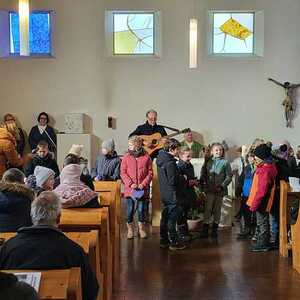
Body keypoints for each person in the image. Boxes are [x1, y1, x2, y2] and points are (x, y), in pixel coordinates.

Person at [0, 191, 99, 300]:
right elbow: (91, 291)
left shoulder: (8, 248)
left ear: (32, 217)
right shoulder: (73, 251)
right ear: (58, 218)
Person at [156, 138, 186, 250]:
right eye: (177, 149)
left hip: (165, 193)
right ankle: (174, 242)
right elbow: (173, 180)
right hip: (172, 193)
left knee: (165, 216)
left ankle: (163, 240)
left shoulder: (161, 159)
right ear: (171, 149)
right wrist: (183, 177)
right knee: (172, 218)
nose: (178, 152)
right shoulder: (170, 163)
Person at [121, 136, 153, 239]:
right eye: (129, 145)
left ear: (137, 145)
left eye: (130, 145)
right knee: (130, 210)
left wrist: (143, 184)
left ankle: (141, 229)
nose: (129, 147)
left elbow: (150, 173)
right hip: (130, 189)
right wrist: (131, 184)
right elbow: (123, 172)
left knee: (141, 210)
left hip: (142, 189)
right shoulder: (126, 157)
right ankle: (130, 229)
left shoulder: (146, 157)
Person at [247, 144, 277, 252]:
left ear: (263, 158)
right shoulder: (265, 167)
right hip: (262, 201)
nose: (254, 158)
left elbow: (261, 190)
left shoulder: (265, 170)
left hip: (261, 202)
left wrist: (254, 204)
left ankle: (263, 243)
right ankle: (264, 241)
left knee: (262, 223)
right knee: (263, 222)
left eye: (256, 157)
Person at [200, 143, 232, 238]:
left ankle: (215, 229)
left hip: (219, 190)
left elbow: (229, 176)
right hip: (209, 189)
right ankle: (205, 228)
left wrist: (222, 186)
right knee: (208, 208)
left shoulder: (225, 163)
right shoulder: (208, 161)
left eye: (220, 150)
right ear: (212, 152)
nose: (219, 152)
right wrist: (203, 184)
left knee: (217, 209)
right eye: (216, 150)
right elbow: (203, 174)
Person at [177, 147, 198, 241]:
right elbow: (179, 181)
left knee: (185, 213)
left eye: (190, 156)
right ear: (181, 156)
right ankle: (181, 233)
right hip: (182, 194)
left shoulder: (190, 165)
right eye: (188, 156)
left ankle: (185, 232)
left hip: (189, 193)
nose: (190, 158)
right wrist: (188, 182)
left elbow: (190, 178)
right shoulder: (179, 166)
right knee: (181, 214)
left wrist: (194, 181)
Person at [236, 152, 256, 239]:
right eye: (249, 157)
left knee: (255, 213)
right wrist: (238, 190)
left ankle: (254, 231)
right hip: (246, 193)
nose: (251, 159)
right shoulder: (246, 168)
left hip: (254, 193)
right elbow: (241, 180)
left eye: (252, 157)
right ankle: (247, 229)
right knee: (246, 212)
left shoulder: (258, 168)